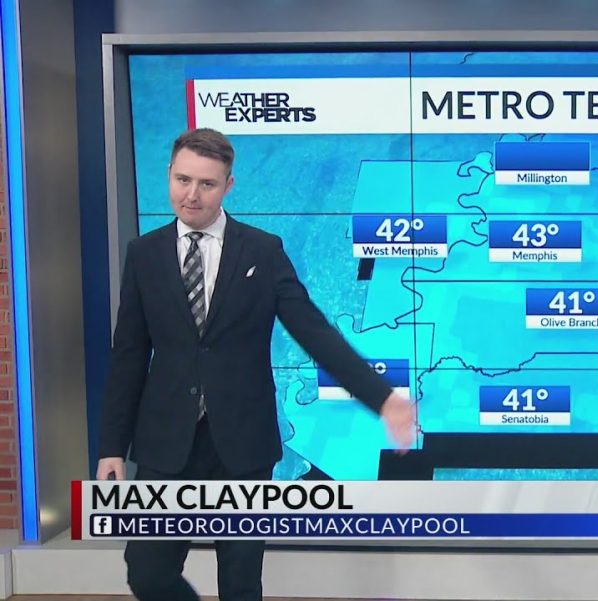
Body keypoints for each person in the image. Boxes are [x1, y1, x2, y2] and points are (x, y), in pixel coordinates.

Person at [96, 127, 416, 601]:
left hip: (242, 443)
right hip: (165, 443)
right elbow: (129, 354)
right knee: (146, 574)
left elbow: (313, 331)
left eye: (207, 184)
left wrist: (383, 399)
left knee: (240, 585)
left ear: (228, 186)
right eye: (183, 180)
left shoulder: (262, 251)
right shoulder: (144, 254)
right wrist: (111, 446)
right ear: (168, 175)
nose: (191, 195)